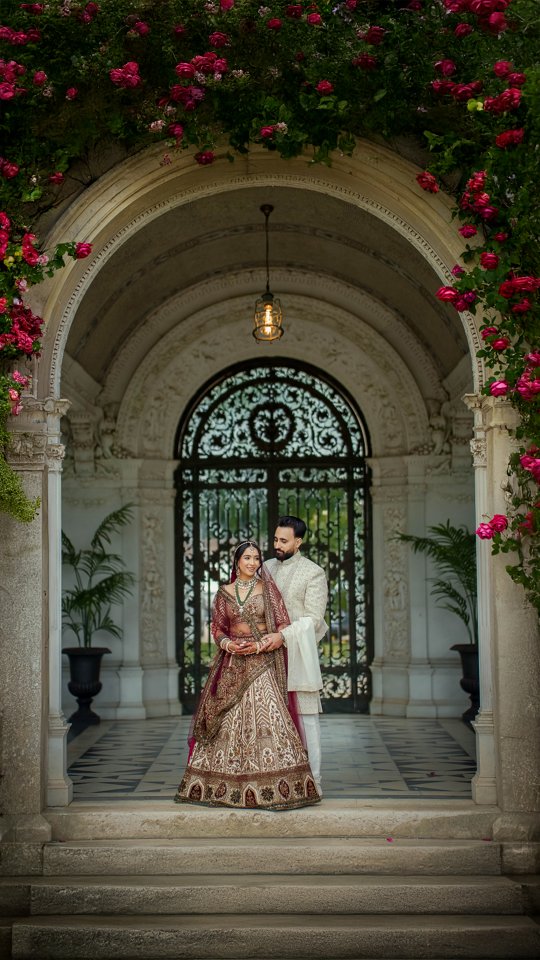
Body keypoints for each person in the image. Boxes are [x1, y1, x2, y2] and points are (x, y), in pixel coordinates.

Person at [175, 540, 321, 810]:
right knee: (225, 720)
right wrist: (227, 644)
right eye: (247, 558)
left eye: (256, 558)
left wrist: (259, 644)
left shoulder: (268, 591)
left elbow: (282, 625)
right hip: (232, 665)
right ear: (237, 561)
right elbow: (217, 627)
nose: (253, 563)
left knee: (270, 718)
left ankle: (280, 787)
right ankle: (223, 787)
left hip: (262, 662)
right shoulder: (224, 593)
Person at [264, 516, 328, 794]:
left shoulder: (314, 573)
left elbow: (314, 620)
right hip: (265, 656)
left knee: (306, 718)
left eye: (283, 541)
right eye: (275, 539)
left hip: (298, 655)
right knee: (268, 720)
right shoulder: (264, 568)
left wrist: (284, 636)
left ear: (298, 542)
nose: (277, 545)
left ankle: (313, 783)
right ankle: (273, 783)